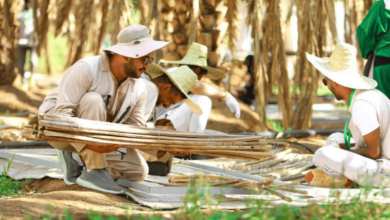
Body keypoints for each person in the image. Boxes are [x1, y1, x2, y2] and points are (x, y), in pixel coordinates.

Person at [38, 25, 172, 194]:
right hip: (60, 132)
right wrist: (89, 143)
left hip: (98, 138)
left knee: (138, 172)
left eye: (150, 61)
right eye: (145, 60)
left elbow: (136, 129)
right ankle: (94, 170)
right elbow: (61, 116)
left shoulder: (139, 87)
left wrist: (161, 148)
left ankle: (76, 158)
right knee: (93, 100)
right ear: (126, 55)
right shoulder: (85, 69)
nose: (147, 67)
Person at [306, 42, 390, 188]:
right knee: (335, 139)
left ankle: (361, 180)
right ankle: (347, 177)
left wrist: (344, 151)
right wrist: (341, 148)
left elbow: (374, 151)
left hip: (384, 169)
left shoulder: (361, 104)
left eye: (326, 81)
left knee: (322, 155)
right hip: (383, 155)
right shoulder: (365, 95)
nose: (327, 86)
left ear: (337, 83)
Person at [357, 0, 390, 99]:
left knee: (383, 101)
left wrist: (368, 51)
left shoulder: (380, 5)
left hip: (384, 60)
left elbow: (364, 32)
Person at [17, 0, 38, 87]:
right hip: (21, 42)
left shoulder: (36, 13)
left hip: (31, 42)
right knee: (21, 63)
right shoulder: (20, 13)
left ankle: (31, 77)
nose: (28, 4)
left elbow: (39, 25)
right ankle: (23, 81)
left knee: (33, 61)